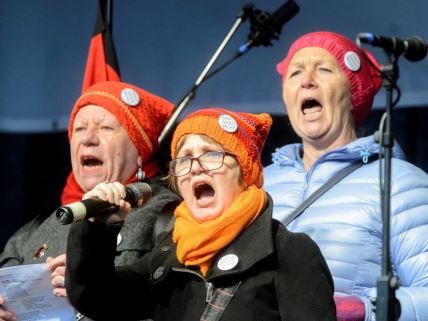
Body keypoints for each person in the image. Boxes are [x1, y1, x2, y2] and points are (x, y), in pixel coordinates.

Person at [65, 108, 336, 321]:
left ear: (245, 173)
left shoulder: (288, 252)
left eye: (210, 155)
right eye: (183, 159)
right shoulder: (168, 256)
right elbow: (97, 298)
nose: (194, 168)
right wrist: (96, 229)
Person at [263, 31, 428, 321]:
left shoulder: (400, 183)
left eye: (324, 70)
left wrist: (366, 310)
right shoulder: (260, 182)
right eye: (295, 73)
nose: (307, 81)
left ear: (354, 92)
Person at [0, 81, 181, 320]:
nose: (88, 138)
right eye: (79, 129)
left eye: (105, 127)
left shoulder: (168, 215)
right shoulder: (35, 230)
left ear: (140, 151)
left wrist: (85, 291)